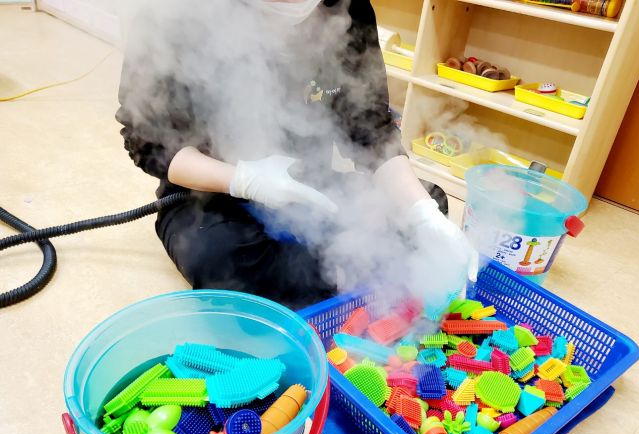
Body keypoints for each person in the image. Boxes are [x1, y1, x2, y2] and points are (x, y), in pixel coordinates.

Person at [117, 0, 473, 309]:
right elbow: (148, 143)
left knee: (428, 202)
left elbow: (370, 127)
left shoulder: (347, 8)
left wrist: (423, 215)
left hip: (310, 182)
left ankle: (332, 271)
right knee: (221, 262)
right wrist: (244, 180)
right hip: (209, 194)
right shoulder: (172, 13)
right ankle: (349, 270)